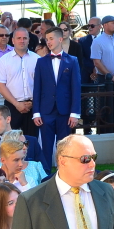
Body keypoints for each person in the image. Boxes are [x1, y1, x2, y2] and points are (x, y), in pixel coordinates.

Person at [32, 27, 81, 172]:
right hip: (46, 111)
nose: (48, 42)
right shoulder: (41, 62)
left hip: (65, 111)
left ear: (60, 39)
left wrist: (74, 113)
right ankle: (46, 175)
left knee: (64, 147)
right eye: (47, 39)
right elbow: (37, 88)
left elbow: (76, 88)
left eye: (51, 39)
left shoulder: (72, 61)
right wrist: (36, 112)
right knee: (46, 146)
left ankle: (64, 173)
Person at [0, 28, 40, 137]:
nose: (22, 41)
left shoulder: (37, 59)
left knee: (32, 139)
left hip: (33, 106)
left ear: (28, 40)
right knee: (10, 140)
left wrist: (33, 102)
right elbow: (0, 86)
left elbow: (42, 85)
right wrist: (16, 104)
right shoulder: (4, 60)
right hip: (12, 106)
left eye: (24, 38)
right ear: (13, 40)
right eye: (19, 38)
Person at [90, 15, 114, 132]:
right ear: (105, 25)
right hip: (104, 80)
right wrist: (110, 77)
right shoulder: (98, 41)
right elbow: (97, 62)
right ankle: (104, 132)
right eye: (113, 23)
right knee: (105, 107)